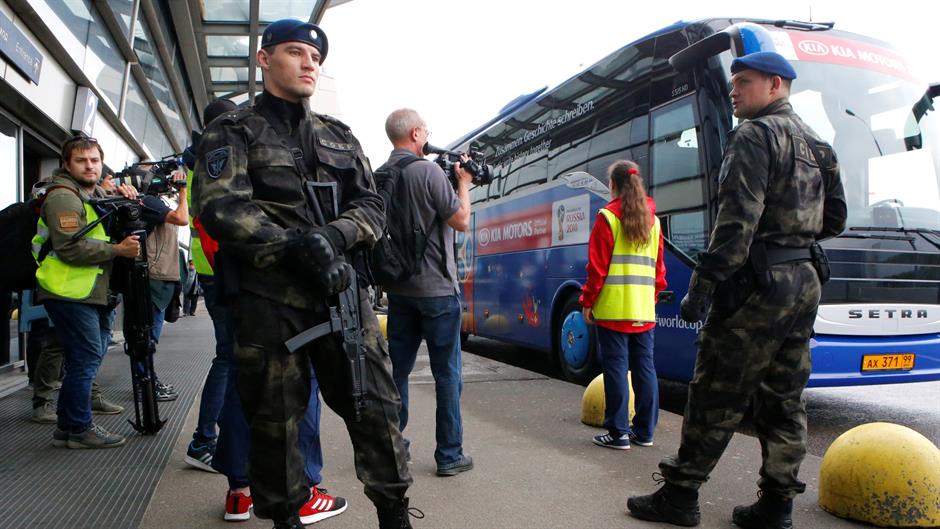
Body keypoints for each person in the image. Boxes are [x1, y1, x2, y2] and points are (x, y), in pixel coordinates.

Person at [192, 19, 413, 529]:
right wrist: (296, 248)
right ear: (264, 59)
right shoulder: (232, 130)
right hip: (269, 300)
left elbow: (372, 206)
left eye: (315, 57)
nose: (309, 63)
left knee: (377, 410)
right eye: (295, 52)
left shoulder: (338, 135)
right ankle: (285, 519)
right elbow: (221, 208)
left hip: (342, 296)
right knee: (275, 423)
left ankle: (395, 513)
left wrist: (333, 236)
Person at [627, 52, 847, 529]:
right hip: (805, 280)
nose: (734, 91)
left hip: (757, 284)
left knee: (717, 389)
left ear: (775, 84)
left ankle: (680, 495)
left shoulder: (753, 135)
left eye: (744, 82)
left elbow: (734, 227)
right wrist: (792, 237)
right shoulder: (818, 144)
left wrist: (701, 289)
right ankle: (776, 506)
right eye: (733, 82)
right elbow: (836, 219)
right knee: (784, 395)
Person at [380, 108, 474, 476]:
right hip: (437, 291)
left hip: (398, 290)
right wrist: (463, 183)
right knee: (447, 374)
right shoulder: (428, 172)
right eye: (425, 131)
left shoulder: (380, 175)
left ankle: (393, 448)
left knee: (397, 372)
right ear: (416, 133)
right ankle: (449, 455)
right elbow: (460, 220)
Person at [32, 135, 141, 449]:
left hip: (81, 289)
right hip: (67, 289)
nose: (90, 166)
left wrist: (123, 195)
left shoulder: (89, 193)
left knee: (82, 356)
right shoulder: (64, 197)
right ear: (67, 165)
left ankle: (67, 427)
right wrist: (117, 250)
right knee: (86, 357)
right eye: (81, 160)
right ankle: (80, 428)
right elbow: (69, 247)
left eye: (95, 160)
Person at [580, 160, 665, 450]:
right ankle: (645, 432)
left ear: (613, 185)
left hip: (614, 308)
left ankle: (618, 434)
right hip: (644, 309)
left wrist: (588, 301)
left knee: (616, 367)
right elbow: (659, 272)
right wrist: (650, 299)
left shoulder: (608, 217)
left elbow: (597, 269)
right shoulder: (654, 221)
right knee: (645, 368)